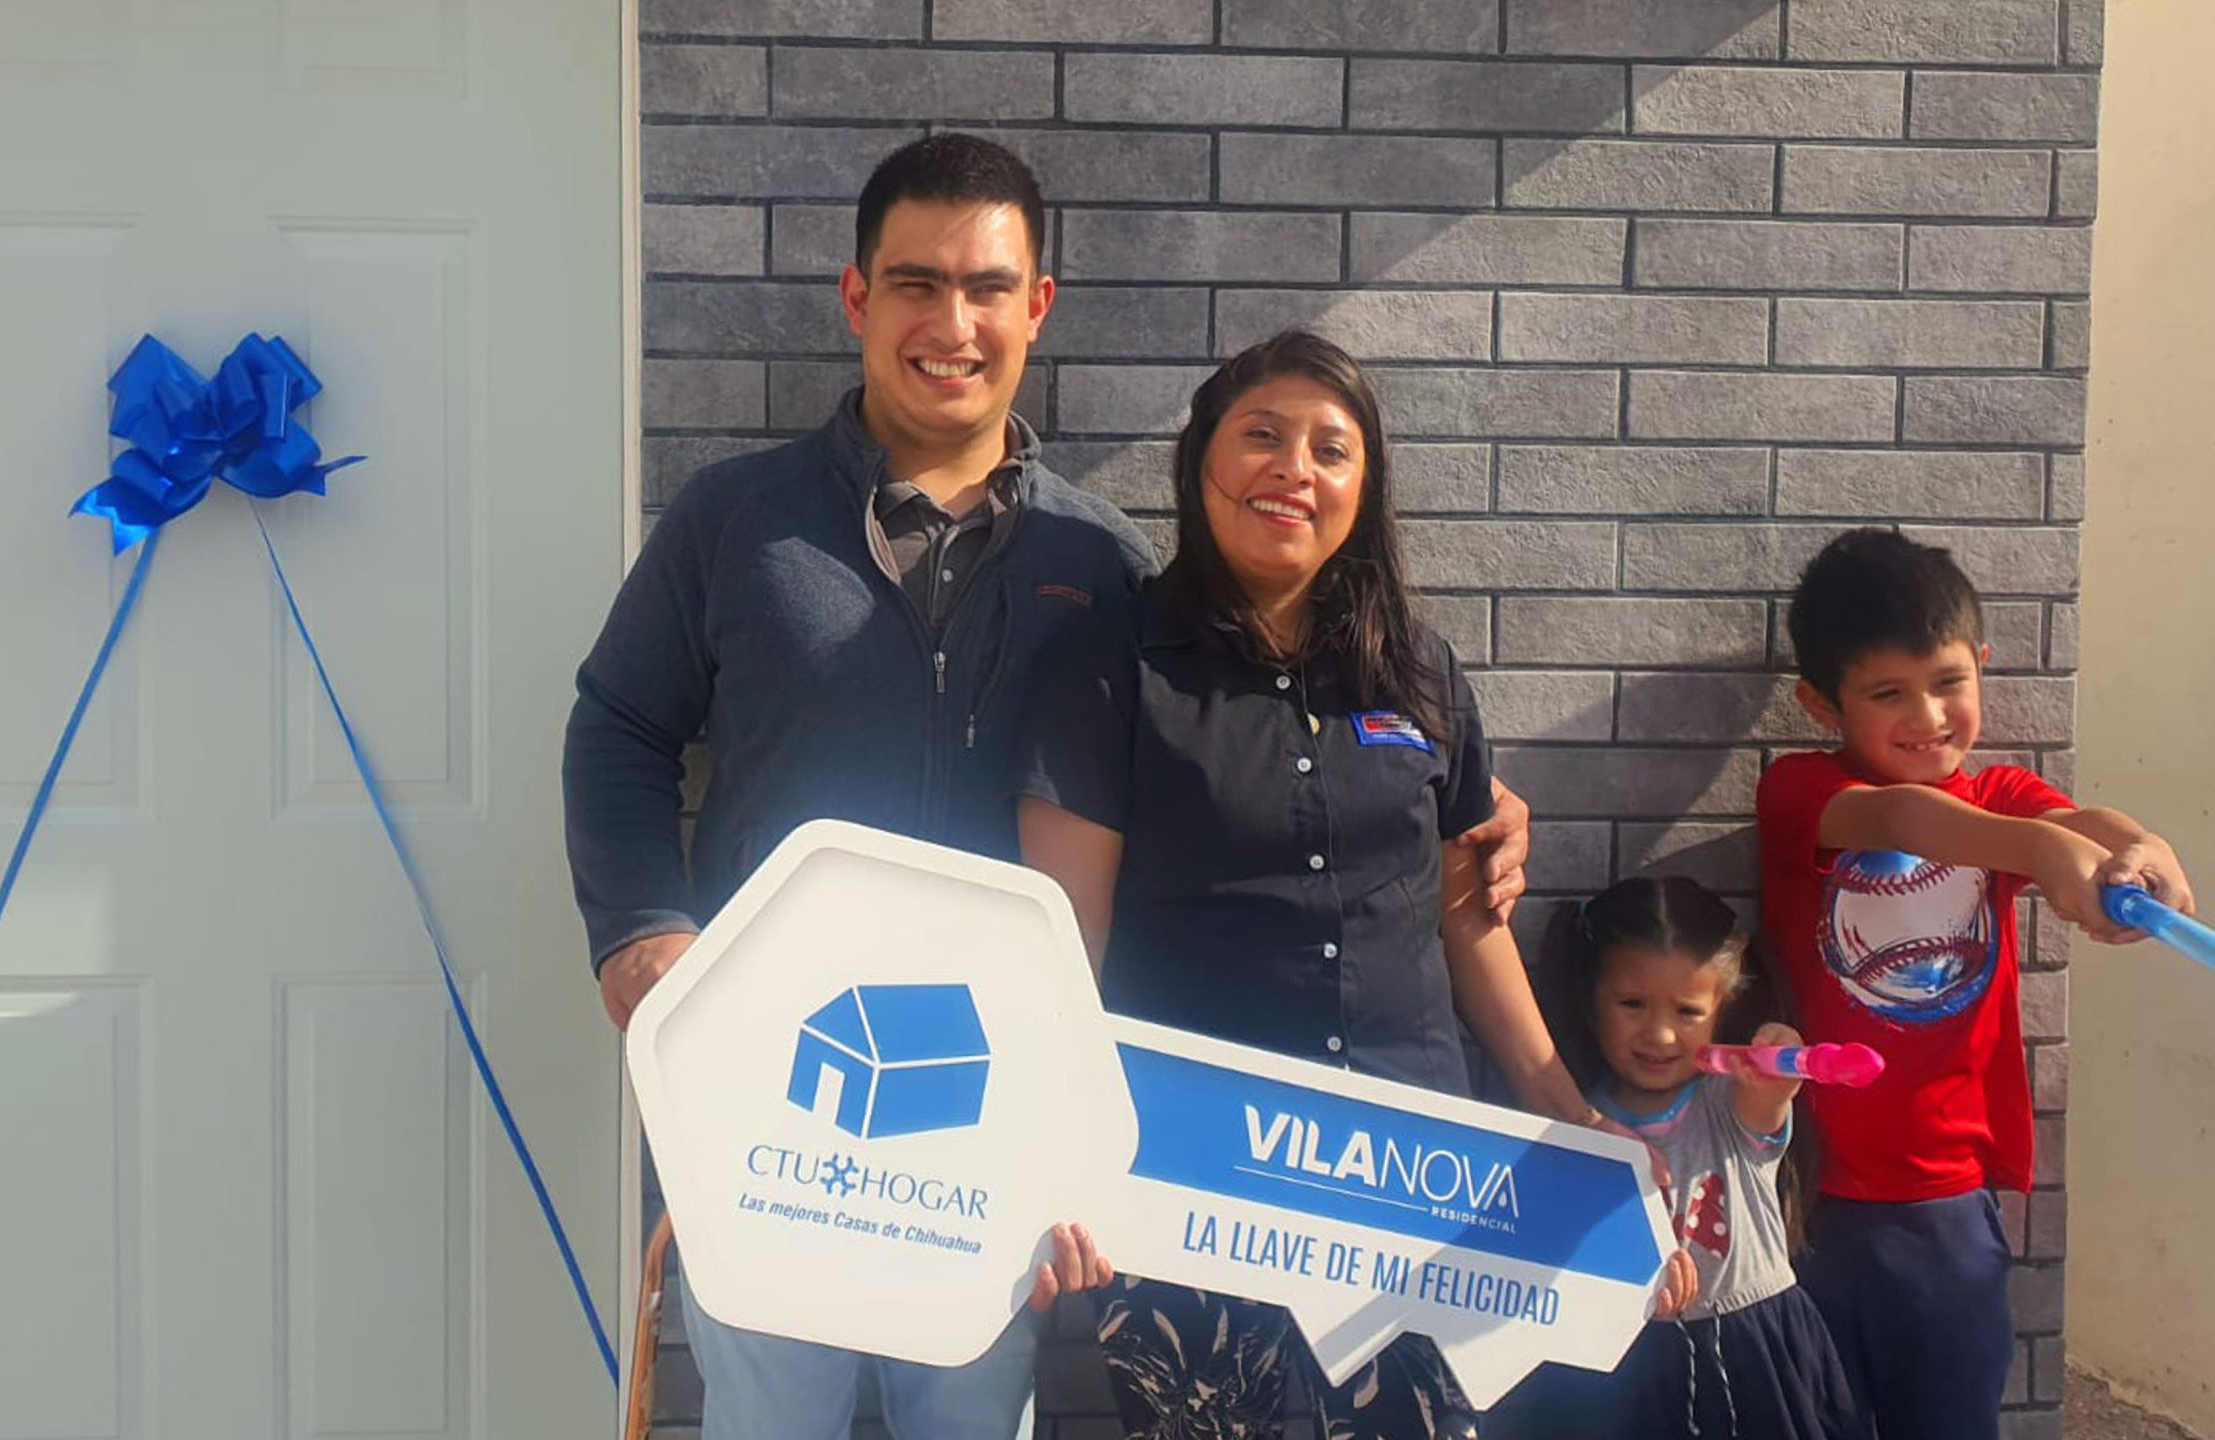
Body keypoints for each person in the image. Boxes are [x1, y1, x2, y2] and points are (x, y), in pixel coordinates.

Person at [562, 136, 1537, 1440]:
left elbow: (1221, 785)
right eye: (915, 284)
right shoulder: (736, 521)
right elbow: (621, 727)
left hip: (987, 1112)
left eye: (986, 287)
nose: (949, 324)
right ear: (858, 301)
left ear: (1038, 308)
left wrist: (1447, 799)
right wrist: (640, 934)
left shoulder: (1104, 556)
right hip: (777, 1094)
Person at [1015, 331, 1681, 1439]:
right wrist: (1052, 1157)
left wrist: (1567, 1114)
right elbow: (1060, 949)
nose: (1295, 470)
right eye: (1262, 437)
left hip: (1413, 1180)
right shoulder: (1114, 664)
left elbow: (1467, 920)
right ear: (1202, 464)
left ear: (1362, 491)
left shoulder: (1415, 668)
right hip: (1196, 1180)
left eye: (1332, 450)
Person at [1756, 528, 2196, 1440]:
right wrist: (2040, 850)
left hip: (1947, 1208)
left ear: (1983, 665)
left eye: (1950, 683)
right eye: (1888, 694)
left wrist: (2141, 850)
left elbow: (2086, 819)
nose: (1927, 716)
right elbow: (1906, 816)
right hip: (1803, 1198)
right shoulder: (1801, 790)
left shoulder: (2001, 794)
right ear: (1818, 703)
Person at [1542, 876, 1859, 1440]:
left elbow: (1768, 1099)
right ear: (1592, 1002)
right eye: (1632, 1004)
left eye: (1687, 1010)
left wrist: (1775, 1067)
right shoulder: (1575, 1119)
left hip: (1757, 1347)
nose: (1659, 1033)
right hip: (1632, 1363)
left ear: (1722, 1012)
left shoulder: (1730, 1105)